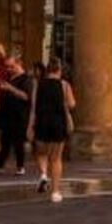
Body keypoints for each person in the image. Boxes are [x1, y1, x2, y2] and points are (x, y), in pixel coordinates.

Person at [28, 59, 76, 203]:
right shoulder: (64, 85)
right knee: (56, 159)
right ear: (59, 70)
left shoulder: (38, 84)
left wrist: (30, 126)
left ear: (47, 70)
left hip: (42, 121)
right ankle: (55, 192)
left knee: (41, 153)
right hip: (58, 122)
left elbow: (33, 107)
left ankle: (43, 174)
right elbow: (72, 104)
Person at [0, 55, 33, 175]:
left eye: (11, 66)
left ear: (19, 64)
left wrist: (11, 88)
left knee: (18, 142)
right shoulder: (9, 77)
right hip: (7, 114)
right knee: (5, 141)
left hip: (19, 115)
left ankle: (20, 166)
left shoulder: (26, 79)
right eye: (7, 67)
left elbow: (26, 96)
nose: (9, 69)